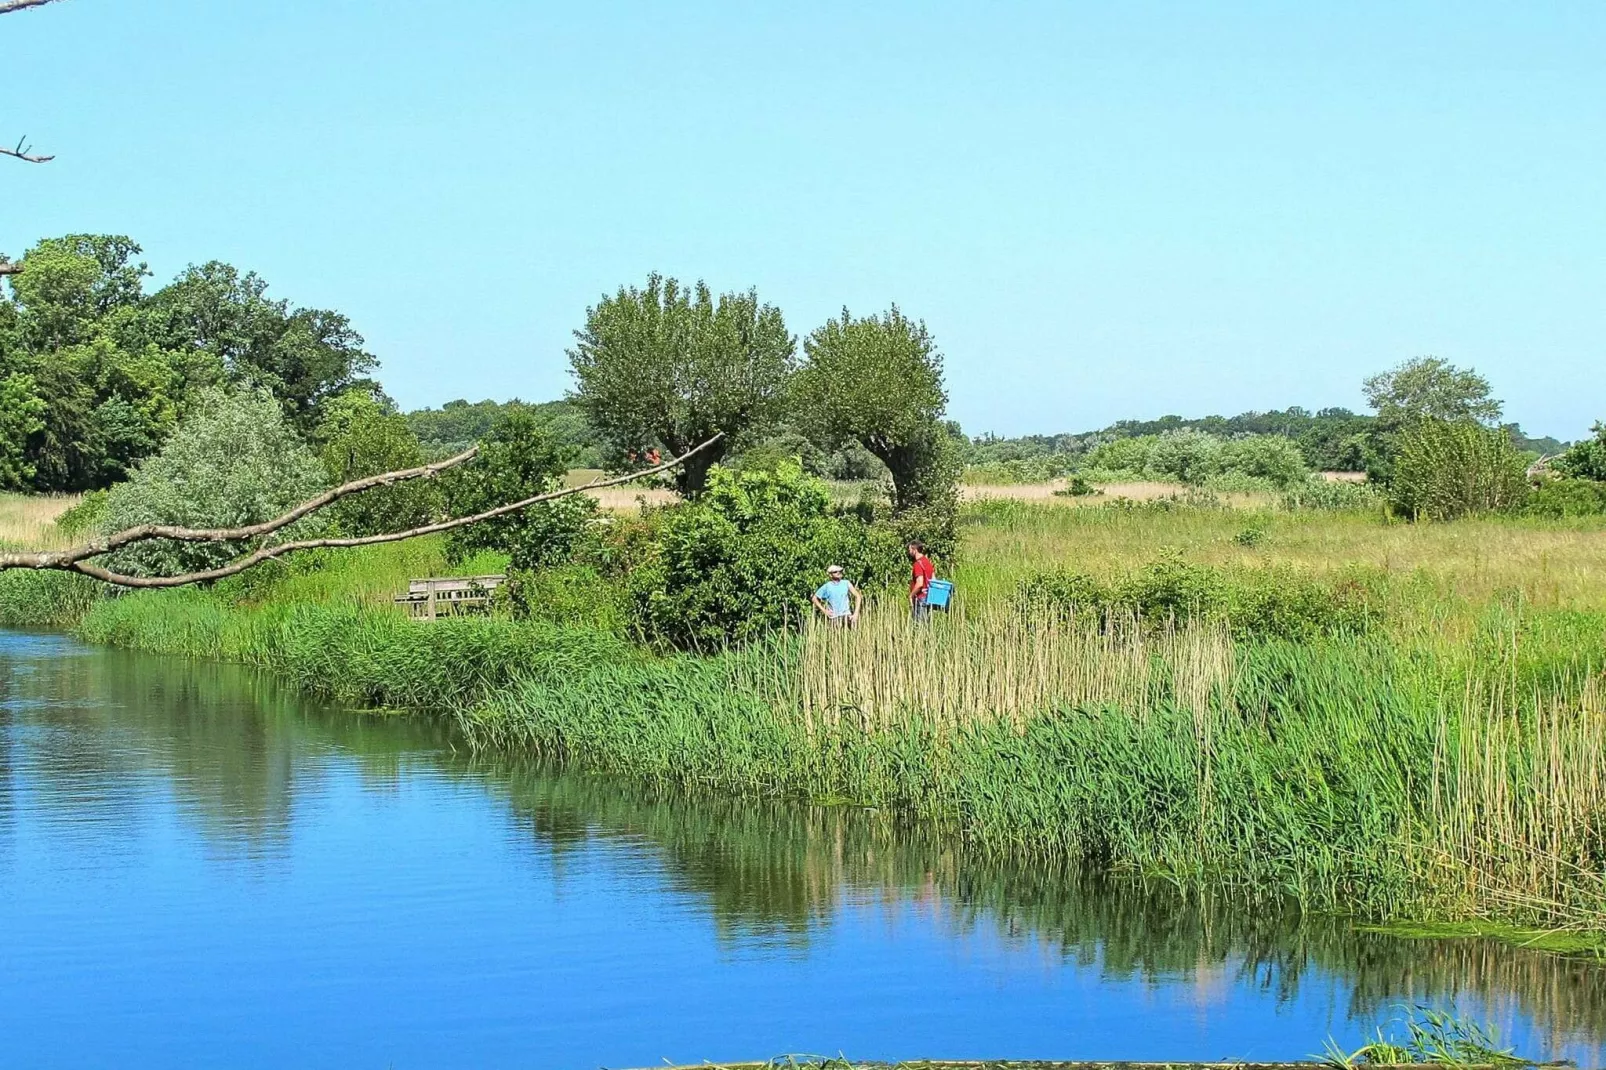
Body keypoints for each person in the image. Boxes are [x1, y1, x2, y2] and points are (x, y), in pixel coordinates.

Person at [908, 541, 935, 622]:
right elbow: (933, 580)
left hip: (920, 598)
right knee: (926, 625)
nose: (909, 552)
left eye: (910, 550)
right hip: (928, 598)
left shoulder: (917, 564)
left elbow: (920, 583)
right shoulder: (927, 562)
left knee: (919, 626)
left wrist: (911, 595)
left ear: (915, 550)